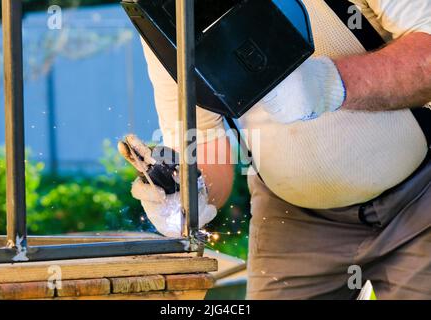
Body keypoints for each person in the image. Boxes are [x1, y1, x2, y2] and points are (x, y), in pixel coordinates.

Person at [129, 0, 431, 299]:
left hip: (419, 202)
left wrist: (326, 83)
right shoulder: (171, 11)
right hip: (291, 219)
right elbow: (206, 147)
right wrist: (188, 193)